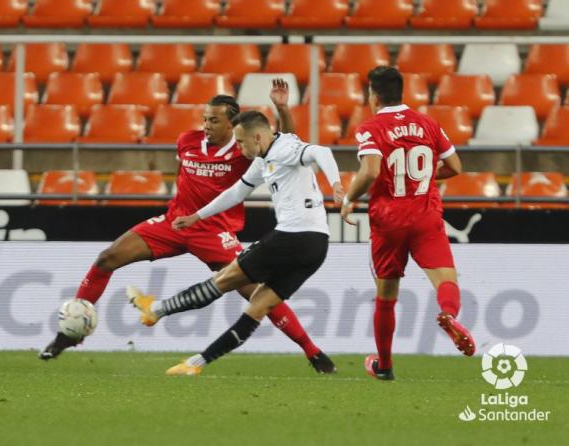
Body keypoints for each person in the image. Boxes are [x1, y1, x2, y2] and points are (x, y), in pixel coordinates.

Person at [39, 80, 337, 374]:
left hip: (214, 231)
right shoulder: (187, 141)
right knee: (107, 258)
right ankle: (68, 335)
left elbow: (287, 142)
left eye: (214, 120)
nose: (206, 125)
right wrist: (186, 213)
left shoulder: (246, 150)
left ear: (232, 125)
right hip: (175, 222)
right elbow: (184, 178)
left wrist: (282, 109)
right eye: (205, 119)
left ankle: (313, 352)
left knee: (256, 293)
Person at [130, 110, 344, 376]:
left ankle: (157, 310)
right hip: (316, 245)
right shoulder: (263, 158)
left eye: (241, 142)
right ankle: (196, 364)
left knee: (222, 280)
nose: (239, 148)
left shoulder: (286, 147)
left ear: (257, 136)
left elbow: (322, 152)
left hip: (292, 236)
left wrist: (336, 184)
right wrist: (197, 216)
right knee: (259, 305)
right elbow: (236, 192)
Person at [340, 66, 476, 381]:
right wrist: (424, 176)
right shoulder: (427, 123)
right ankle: (450, 315)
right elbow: (455, 166)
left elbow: (371, 171)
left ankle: (384, 366)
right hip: (425, 212)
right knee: (446, 279)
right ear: (400, 93)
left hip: (389, 220)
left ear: (373, 95)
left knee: (386, 296)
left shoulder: (370, 128)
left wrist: (349, 199)